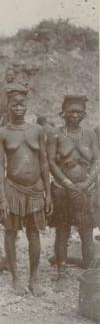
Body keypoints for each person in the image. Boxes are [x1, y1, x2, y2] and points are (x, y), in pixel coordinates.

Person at [0, 84, 53, 297]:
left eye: (22, 104)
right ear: (8, 106)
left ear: (27, 105)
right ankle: (15, 278)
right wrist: (1, 197)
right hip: (12, 189)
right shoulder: (2, 133)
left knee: (34, 233)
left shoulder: (37, 130)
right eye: (14, 104)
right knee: (10, 232)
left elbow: (45, 163)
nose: (19, 108)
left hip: (36, 189)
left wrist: (48, 193)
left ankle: (34, 278)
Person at [47, 95, 99, 291]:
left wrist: (86, 183)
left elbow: (97, 161)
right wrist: (67, 182)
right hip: (62, 191)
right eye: (71, 111)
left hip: (86, 190)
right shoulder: (55, 134)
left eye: (78, 111)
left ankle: (90, 272)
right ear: (64, 113)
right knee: (62, 231)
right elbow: (51, 162)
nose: (74, 115)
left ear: (84, 114)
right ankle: (61, 272)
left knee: (86, 232)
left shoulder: (90, 135)